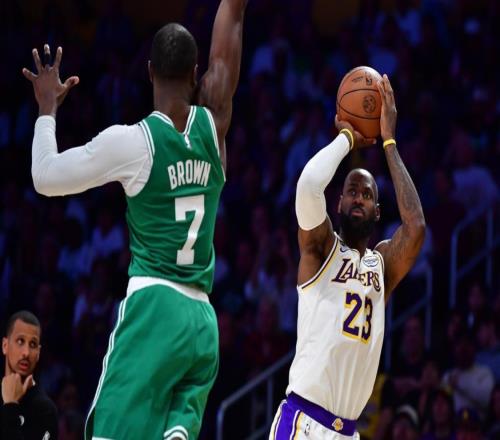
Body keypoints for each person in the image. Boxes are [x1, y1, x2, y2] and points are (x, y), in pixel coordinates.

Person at [22, 0, 248, 438]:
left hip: (154, 310)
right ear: (196, 72)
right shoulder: (214, 123)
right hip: (202, 322)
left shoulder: (134, 143)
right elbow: (232, 21)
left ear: (149, 72)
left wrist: (47, 109)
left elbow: (44, 177)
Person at [269, 74, 425, 439]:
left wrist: (389, 142)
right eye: (352, 191)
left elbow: (415, 226)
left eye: (367, 194)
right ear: (338, 203)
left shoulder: (382, 265)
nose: (358, 198)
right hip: (304, 422)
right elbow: (309, 186)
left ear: (377, 211)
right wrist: (347, 138)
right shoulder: (321, 247)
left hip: (348, 432)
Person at [1, 310, 58, 439]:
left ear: (38, 353)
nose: (26, 353)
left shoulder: (45, 410)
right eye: (20, 341)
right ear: (5, 346)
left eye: (32, 344)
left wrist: (10, 405)